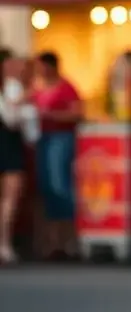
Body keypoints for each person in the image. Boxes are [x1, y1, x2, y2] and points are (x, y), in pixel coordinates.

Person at [32, 51, 82, 260]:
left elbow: (77, 112)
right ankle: (52, 241)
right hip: (42, 138)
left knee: (59, 185)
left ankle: (68, 239)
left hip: (60, 137)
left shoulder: (66, 87)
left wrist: (51, 115)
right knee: (46, 186)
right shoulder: (36, 87)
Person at [0, 49, 37, 264]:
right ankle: (4, 244)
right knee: (9, 199)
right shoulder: (14, 89)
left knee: (8, 200)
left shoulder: (16, 87)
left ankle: (5, 243)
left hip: (11, 144)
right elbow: (13, 119)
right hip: (9, 144)